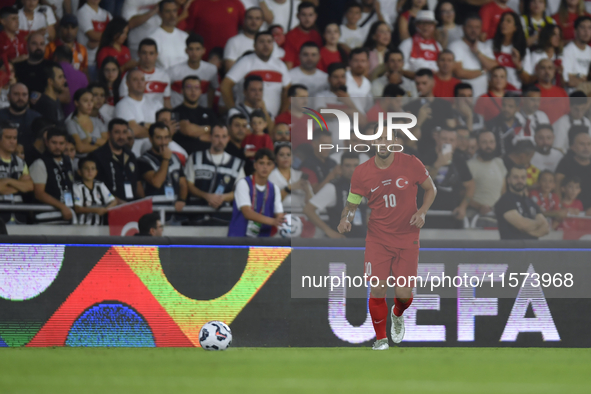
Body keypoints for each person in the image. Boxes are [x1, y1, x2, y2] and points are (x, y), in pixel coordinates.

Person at [337, 130, 436, 349]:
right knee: (378, 289)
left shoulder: (411, 163)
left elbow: (431, 189)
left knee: (403, 294)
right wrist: (346, 219)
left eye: (387, 138)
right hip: (377, 238)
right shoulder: (362, 172)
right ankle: (381, 339)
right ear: (372, 142)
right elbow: (352, 204)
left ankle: (397, 314)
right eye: (378, 139)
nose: (383, 143)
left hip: (408, 236)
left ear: (395, 142)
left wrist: (422, 212)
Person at [222, 31, 291, 118]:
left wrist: (281, 117)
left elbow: (287, 92)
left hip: (271, 122)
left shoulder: (280, 65)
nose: (266, 45)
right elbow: (225, 86)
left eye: (269, 42)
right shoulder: (245, 62)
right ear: (254, 45)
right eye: (261, 41)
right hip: (246, 121)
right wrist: (235, 112)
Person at [304, 152, 366, 238]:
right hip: (342, 243)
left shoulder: (363, 187)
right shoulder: (333, 188)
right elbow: (308, 209)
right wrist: (328, 231)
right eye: (348, 166)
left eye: (355, 165)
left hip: (362, 241)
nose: (352, 169)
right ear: (340, 168)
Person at [422, 127, 475, 228]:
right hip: (428, 217)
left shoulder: (459, 160)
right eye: (444, 139)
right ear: (437, 140)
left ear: (456, 143)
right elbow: (422, 182)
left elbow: (470, 185)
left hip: (452, 217)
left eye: (451, 140)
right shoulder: (427, 156)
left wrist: (463, 207)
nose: (447, 142)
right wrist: (438, 164)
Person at [228, 148, 284, 237]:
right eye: (261, 163)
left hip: (263, 240)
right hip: (239, 238)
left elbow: (279, 215)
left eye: (269, 164)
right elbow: (247, 213)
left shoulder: (274, 188)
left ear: (273, 167)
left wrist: (286, 221)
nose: (265, 167)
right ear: (255, 165)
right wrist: (273, 221)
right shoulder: (243, 183)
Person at [186, 123, 245, 207]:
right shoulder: (195, 158)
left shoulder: (236, 163)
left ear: (228, 138)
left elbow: (240, 190)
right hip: (195, 213)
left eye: (224, 136)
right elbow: (188, 184)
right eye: (217, 136)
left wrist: (221, 198)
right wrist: (206, 196)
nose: (220, 140)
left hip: (222, 215)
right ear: (210, 137)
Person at [403, 68, 455, 157]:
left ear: (432, 83)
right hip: (419, 153)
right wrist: (419, 120)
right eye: (417, 83)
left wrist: (441, 133)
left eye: (424, 83)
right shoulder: (409, 107)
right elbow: (408, 144)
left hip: (442, 151)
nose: (420, 87)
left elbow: (452, 129)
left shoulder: (445, 105)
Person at [137, 122, 187, 211]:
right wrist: (166, 159)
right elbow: (156, 182)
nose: (163, 142)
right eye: (159, 138)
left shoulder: (175, 158)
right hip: (155, 210)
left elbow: (183, 183)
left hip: (175, 211)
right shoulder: (143, 160)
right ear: (150, 139)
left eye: (166, 137)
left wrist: (181, 199)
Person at [30, 127, 76, 223]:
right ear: (46, 142)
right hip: (46, 216)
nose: (58, 147)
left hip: (67, 215)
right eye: (54, 143)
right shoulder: (40, 163)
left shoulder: (68, 162)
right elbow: (39, 194)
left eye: (61, 143)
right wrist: (62, 207)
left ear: (66, 143)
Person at [88, 118, 140, 203]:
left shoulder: (131, 156)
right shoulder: (97, 156)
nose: (121, 136)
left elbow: (138, 184)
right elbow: (95, 187)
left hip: (131, 206)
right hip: (108, 207)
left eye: (124, 132)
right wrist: (118, 202)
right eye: (117, 132)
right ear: (109, 134)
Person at [115, 69, 163, 157]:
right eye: (135, 80)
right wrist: (157, 130)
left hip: (160, 149)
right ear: (127, 84)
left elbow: (166, 127)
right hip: (136, 153)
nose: (139, 83)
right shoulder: (122, 105)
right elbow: (134, 131)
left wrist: (143, 125)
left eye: (142, 80)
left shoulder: (156, 104)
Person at [449, 15, 498, 99]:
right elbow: (459, 72)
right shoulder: (455, 46)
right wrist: (482, 71)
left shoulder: (484, 46)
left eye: (477, 27)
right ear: (463, 28)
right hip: (463, 98)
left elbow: (495, 67)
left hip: (482, 98)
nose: (473, 30)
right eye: (470, 27)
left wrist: (477, 53)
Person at [495, 166, 549, 239]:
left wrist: (531, 231)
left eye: (523, 177)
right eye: (515, 177)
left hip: (532, 249)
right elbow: (523, 225)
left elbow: (546, 228)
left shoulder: (531, 202)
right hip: (512, 249)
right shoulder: (504, 200)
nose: (519, 180)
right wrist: (538, 223)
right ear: (508, 180)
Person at [224, 6, 284, 71]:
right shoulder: (233, 42)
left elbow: (277, 67)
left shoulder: (270, 42)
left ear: (262, 22)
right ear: (244, 20)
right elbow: (230, 71)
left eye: (257, 18)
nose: (254, 21)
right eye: (250, 18)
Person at [167, 33, 218, 109]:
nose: (194, 53)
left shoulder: (211, 70)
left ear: (203, 50)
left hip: (201, 112)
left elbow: (213, 88)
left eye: (197, 49)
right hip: (177, 112)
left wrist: (209, 108)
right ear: (186, 51)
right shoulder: (174, 71)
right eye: (191, 49)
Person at [487, 11, 534, 91]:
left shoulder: (523, 49)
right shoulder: (490, 44)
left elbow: (527, 80)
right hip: (493, 92)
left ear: (515, 27)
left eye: (508, 21)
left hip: (513, 94)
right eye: (502, 20)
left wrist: (518, 65)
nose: (504, 23)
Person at [119, 38, 171, 108]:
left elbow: (167, 103)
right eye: (144, 53)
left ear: (156, 55)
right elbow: (124, 103)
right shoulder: (129, 76)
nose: (147, 57)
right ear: (138, 54)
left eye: (151, 53)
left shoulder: (164, 76)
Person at [171, 76, 217, 155]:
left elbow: (217, 134)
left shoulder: (209, 112)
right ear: (182, 90)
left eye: (196, 88)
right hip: (185, 155)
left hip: (209, 156)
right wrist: (208, 129)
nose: (193, 91)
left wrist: (197, 134)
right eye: (189, 87)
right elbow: (189, 131)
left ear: (201, 91)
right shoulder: (175, 112)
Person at [0, 121, 33, 225]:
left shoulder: (20, 162)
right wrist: (19, 185)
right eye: (8, 138)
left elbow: (29, 186)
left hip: (19, 216)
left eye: (15, 138)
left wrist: (8, 181)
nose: (12, 141)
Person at [467, 130, 507, 218]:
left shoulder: (499, 163)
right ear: (477, 145)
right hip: (475, 215)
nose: (488, 146)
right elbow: (463, 195)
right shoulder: (469, 165)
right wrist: (480, 207)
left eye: (491, 142)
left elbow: (503, 191)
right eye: (484, 142)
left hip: (497, 215)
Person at [73, 156, 117, 225]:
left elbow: (113, 201)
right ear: (79, 172)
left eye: (93, 169)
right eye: (86, 168)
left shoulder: (100, 185)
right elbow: (77, 208)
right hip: (82, 227)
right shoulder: (77, 187)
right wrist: (95, 210)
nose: (90, 171)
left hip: (100, 226)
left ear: (96, 172)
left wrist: (106, 210)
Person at [269, 142, 311, 213]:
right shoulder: (271, 177)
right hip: (281, 215)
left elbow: (311, 204)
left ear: (293, 158)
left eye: (288, 155)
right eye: (281, 155)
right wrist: (289, 188)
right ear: (275, 158)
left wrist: (307, 190)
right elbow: (270, 203)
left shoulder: (300, 175)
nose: (285, 157)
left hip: (302, 215)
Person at [555, 129, 591, 211]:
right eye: (582, 144)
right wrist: (561, 207)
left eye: (589, 144)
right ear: (573, 147)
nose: (586, 147)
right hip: (570, 211)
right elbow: (557, 185)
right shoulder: (565, 162)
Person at [399, 10, 443, 76]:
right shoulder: (407, 44)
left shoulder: (438, 46)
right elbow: (399, 68)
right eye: (422, 23)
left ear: (434, 26)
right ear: (416, 25)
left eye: (429, 23)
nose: (425, 27)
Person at [0, 83, 41, 152]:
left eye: (24, 95)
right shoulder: (1, 115)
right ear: (8, 96)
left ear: (28, 97)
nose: (20, 98)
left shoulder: (36, 118)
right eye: (16, 94)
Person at [66, 88, 108, 155]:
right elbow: (80, 148)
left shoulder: (98, 121)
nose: (89, 104)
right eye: (85, 101)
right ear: (76, 103)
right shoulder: (71, 123)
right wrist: (101, 146)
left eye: (91, 100)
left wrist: (91, 140)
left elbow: (108, 143)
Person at [148, 0, 188, 70]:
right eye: (167, 11)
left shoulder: (185, 37)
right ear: (160, 13)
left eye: (174, 11)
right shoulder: (152, 38)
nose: (172, 15)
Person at [283, 2, 323, 69]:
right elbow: (288, 65)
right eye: (304, 15)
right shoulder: (290, 36)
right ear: (298, 16)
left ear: (315, 16)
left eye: (310, 15)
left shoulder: (317, 35)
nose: (307, 19)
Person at [53, 45, 89, 117]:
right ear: (71, 59)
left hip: (55, 117)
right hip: (76, 118)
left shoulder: (51, 74)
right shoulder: (82, 76)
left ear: (55, 58)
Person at [30, 61, 67, 127]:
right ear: (50, 81)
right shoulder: (45, 104)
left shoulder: (55, 101)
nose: (64, 80)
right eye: (60, 77)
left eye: (63, 76)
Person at [76, 0, 112, 68]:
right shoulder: (82, 12)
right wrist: (109, 37)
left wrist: (97, 42)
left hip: (104, 59)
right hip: (87, 60)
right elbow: (93, 35)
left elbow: (115, 34)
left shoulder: (106, 14)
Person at [535, 58, 569, 123]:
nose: (547, 71)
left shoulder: (562, 92)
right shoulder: (532, 92)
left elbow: (567, 114)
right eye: (543, 68)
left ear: (554, 71)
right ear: (537, 70)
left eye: (550, 68)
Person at [562, 15, 591, 89]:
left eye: (589, 28)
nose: (586, 31)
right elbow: (567, 80)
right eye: (582, 27)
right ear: (575, 30)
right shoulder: (567, 51)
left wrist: (577, 76)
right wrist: (585, 79)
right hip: (574, 95)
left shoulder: (589, 50)